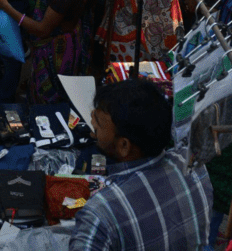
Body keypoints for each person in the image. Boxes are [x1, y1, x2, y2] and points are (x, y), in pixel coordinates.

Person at [71, 79, 212, 251]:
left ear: (124, 146)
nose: (92, 124)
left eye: (99, 124)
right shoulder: (193, 165)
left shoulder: (100, 213)